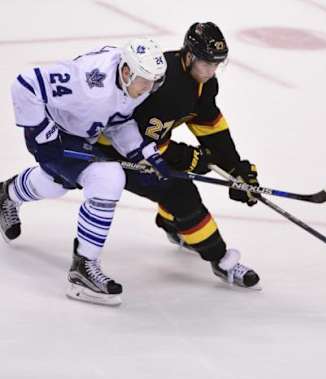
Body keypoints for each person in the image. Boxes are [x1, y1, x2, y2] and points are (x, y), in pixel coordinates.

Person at [0, 39, 170, 305]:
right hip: (52, 133)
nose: (149, 89)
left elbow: (118, 121)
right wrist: (44, 133)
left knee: (55, 184)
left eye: (154, 82)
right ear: (126, 72)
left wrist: (145, 154)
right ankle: (83, 268)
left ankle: (7, 194)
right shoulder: (89, 83)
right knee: (109, 177)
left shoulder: (136, 82)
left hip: (78, 136)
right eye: (145, 82)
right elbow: (25, 85)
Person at [98, 22, 260, 288]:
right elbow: (144, 141)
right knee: (180, 193)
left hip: (139, 147)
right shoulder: (166, 85)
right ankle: (7, 194)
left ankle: (179, 228)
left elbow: (210, 126)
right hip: (111, 148)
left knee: (176, 191)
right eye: (206, 63)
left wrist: (235, 168)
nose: (211, 71)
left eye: (216, 64)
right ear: (189, 55)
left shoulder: (203, 83)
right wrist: (189, 159)